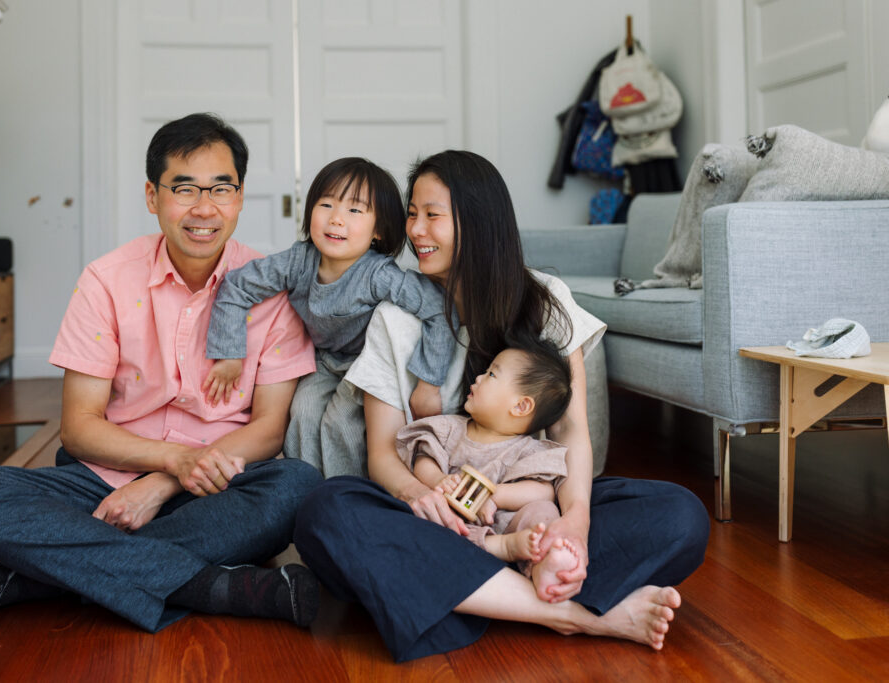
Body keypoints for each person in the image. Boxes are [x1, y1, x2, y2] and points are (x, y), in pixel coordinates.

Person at [293, 150, 710, 662]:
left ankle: (467, 589)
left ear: (478, 222)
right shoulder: (394, 317)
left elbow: (571, 434)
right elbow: (382, 453)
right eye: (412, 214)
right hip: (434, 521)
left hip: (527, 512)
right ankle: (570, 614)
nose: (416, 231)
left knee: (681, 515)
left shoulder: (544, 299)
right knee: (325, 512)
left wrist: (574, 523)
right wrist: (420, 495)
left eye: (432, 215)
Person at [0, 113, 324, 632]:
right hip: (104, 481)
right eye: (184, 189)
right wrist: (171, 460)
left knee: (297, 486)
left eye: (221, 189)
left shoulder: (273, 290)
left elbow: (269, 428)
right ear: (152, 196)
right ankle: (210, 586)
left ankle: (45, 578)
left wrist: (166, 482)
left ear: (239, 197)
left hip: (221, 485)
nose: (204, 208)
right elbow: (79, 428)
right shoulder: (106, 280)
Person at [203, 157, 455, 477]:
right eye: (326, 205)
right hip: (323, 360)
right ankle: (301, 487)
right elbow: (238, 284)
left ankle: (347, 492)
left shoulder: (379, 274)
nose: (336, 219)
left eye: (354, 210)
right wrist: (229, 354)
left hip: (367, 364)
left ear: (378, 230)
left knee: (340, 423)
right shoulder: (299, 261)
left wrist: (429, 383)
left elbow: (437, 308)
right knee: (303, 411)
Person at [397, 336, 578, 589]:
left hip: (505, 524)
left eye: (491, 374)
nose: (479, 377)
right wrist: (438, 479)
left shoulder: (528, 450)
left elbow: (543, 491)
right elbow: (423, 459)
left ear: (521, 406)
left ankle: (544, 564)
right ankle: (501, 548)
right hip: (453, 524)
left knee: (544, 512)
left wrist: (494, 496)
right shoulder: (449, 429)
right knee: (421, 523)